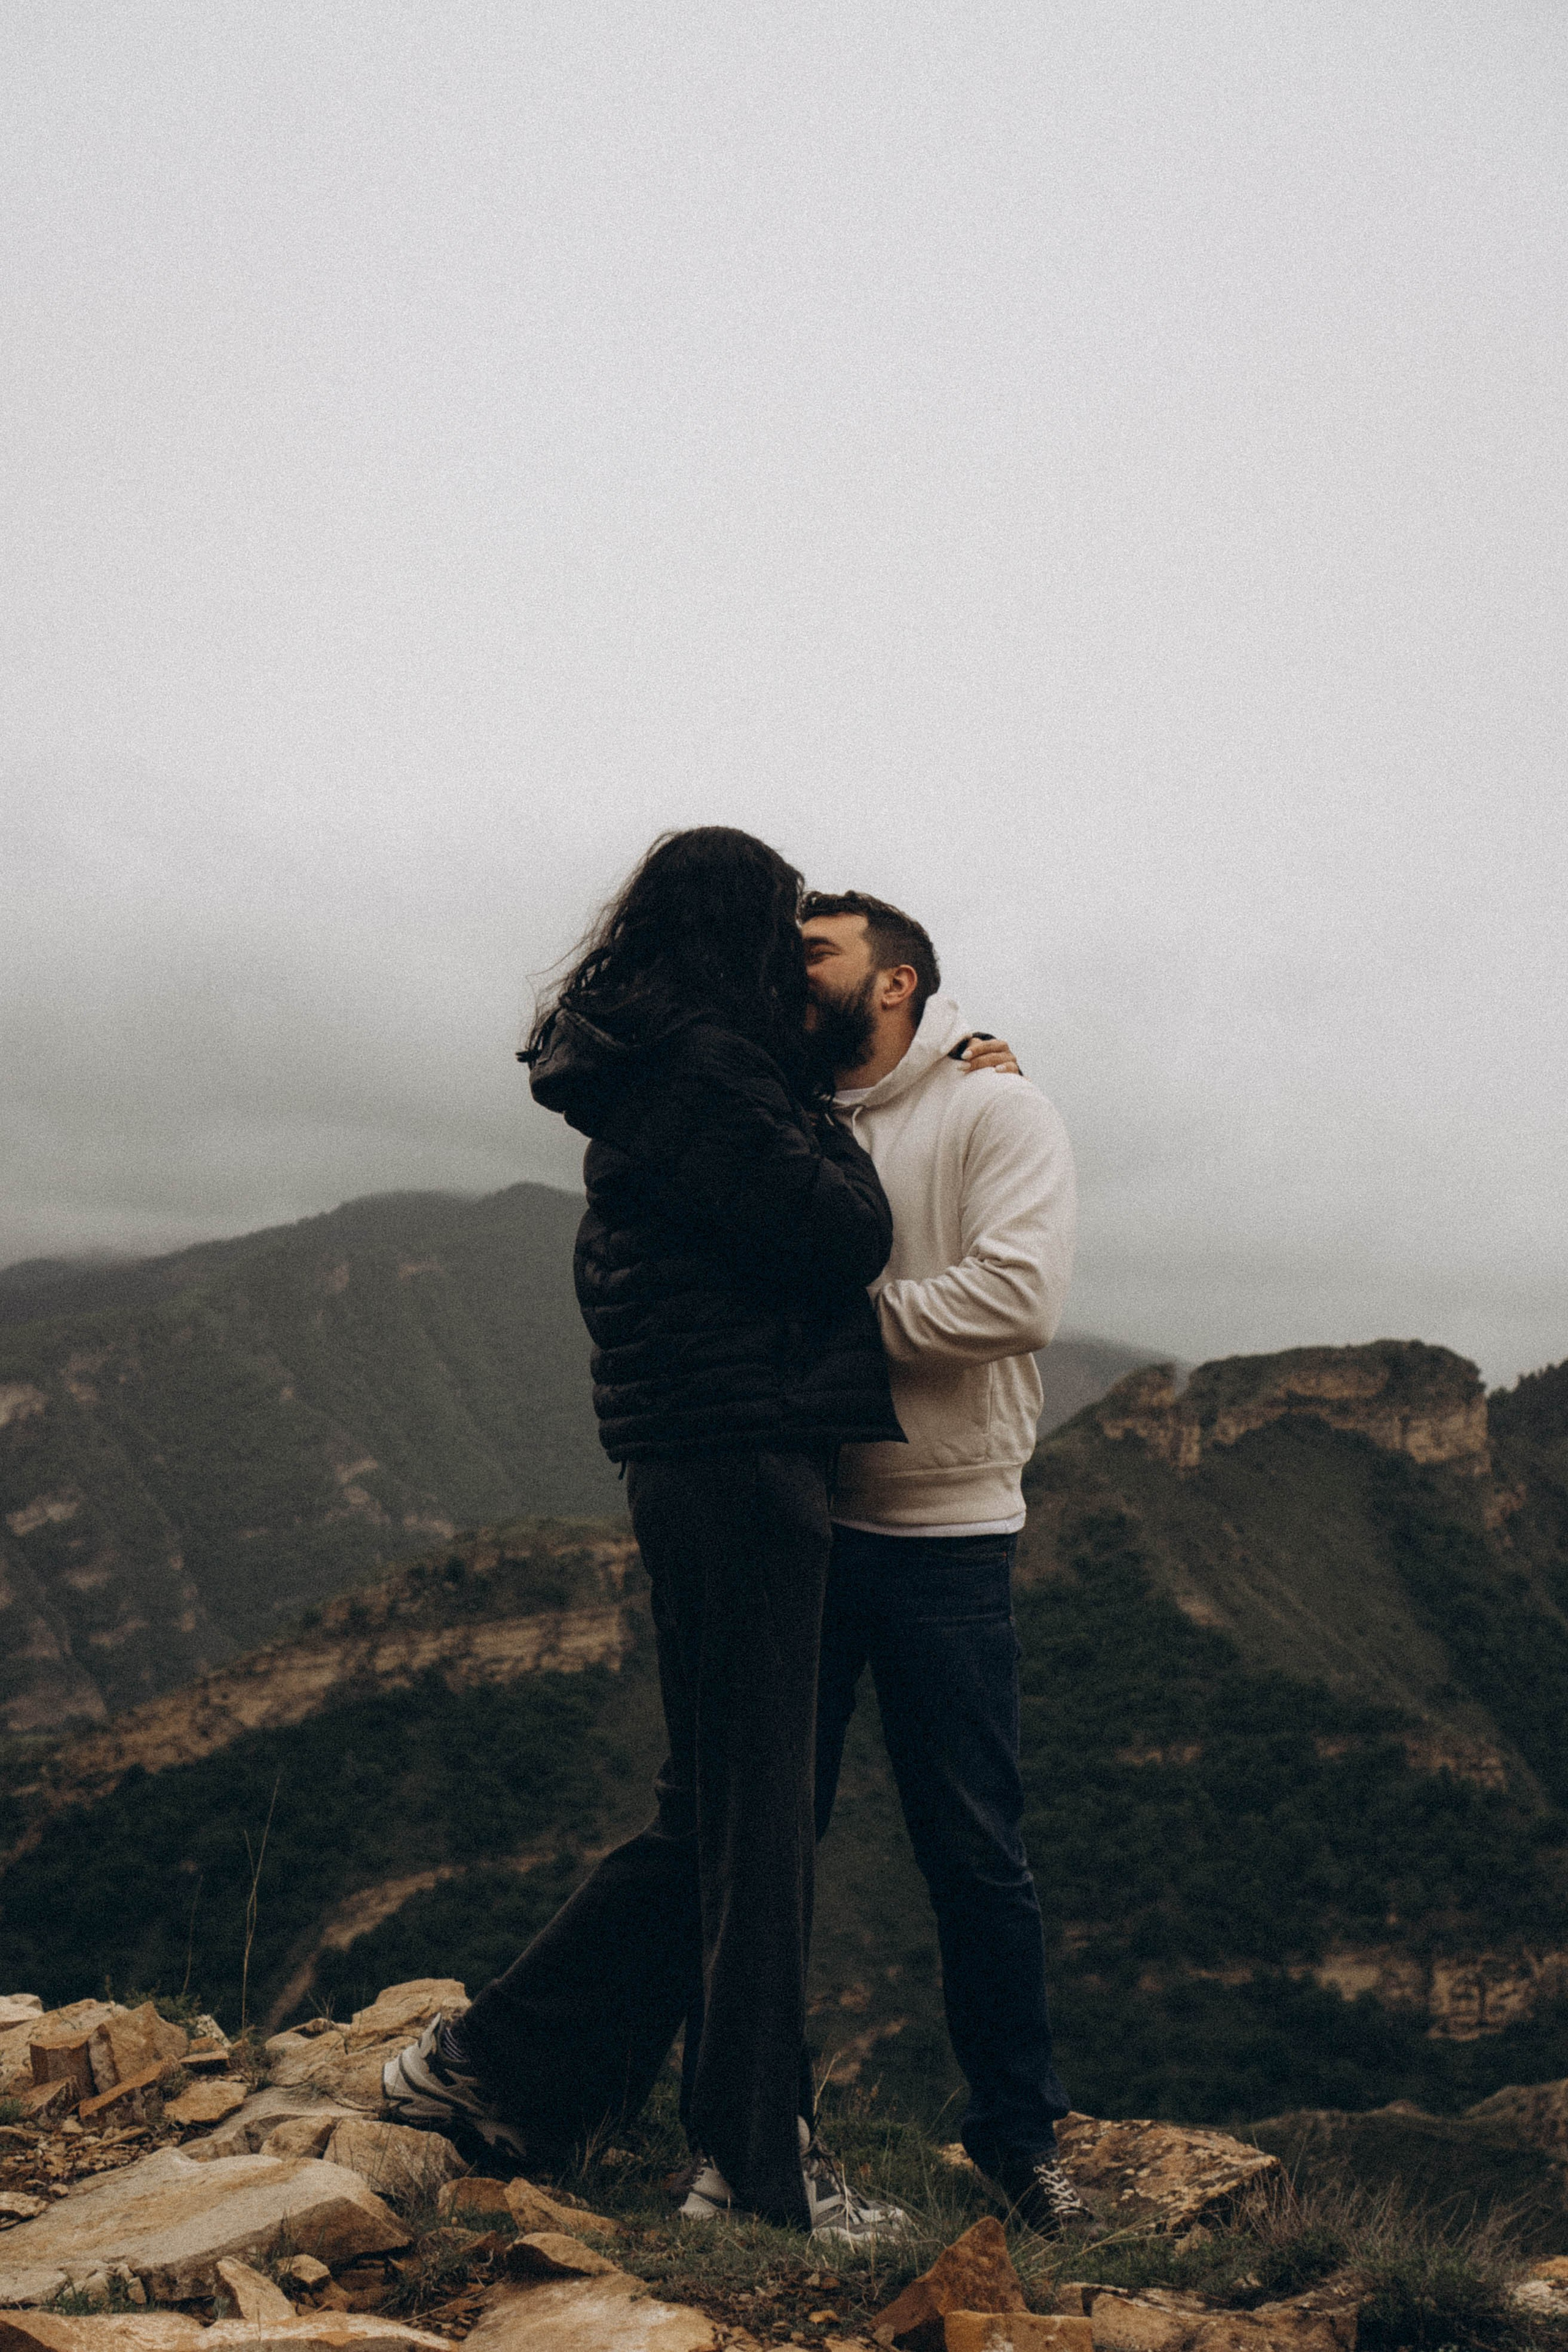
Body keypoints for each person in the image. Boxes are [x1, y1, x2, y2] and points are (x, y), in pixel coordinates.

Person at [383, 828, 911, 2239]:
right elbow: (844, 1235)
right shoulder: (710, 1071)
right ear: (736, 930)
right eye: (785, 934)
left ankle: (487, 2069)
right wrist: (831, 1119)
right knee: (757, 1827)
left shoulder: (655, 1066)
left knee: (710, 1813)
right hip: (744, 1463)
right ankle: (752, 2170)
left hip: (698, 1461)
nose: (798, 963)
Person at [794, 889, 1088, 2237]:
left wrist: (826, 1325)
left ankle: (1017, 2141)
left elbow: (1015, 1295)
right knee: (765, 1843)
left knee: (971, 1851)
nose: (791, 974)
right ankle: (764, 2124)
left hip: (944, 1535)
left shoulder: (994, 1110)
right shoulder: (783, 1108)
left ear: (897, 981)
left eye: (816, 953)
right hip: (796, 1521)